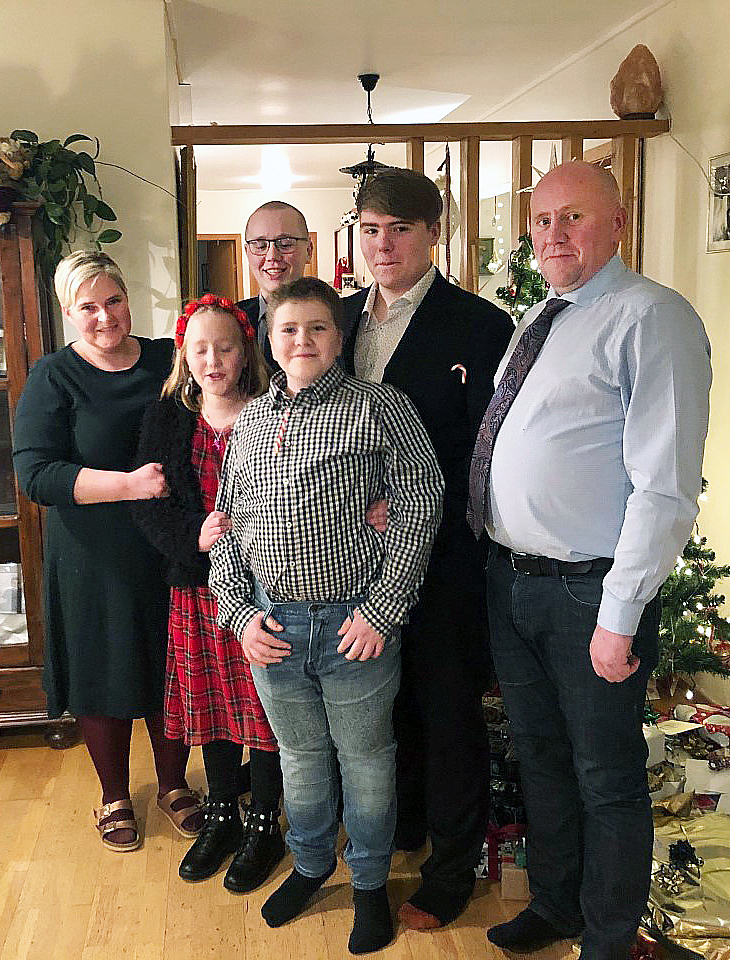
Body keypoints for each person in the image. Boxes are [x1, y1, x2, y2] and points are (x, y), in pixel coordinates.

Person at [469, 161, 712, 960]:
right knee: (540, 759)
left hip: (590, 595)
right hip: (514, 580)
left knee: (606, 778)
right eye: (542, 221)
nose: (554, 235)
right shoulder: (540, 317)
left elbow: (665, 485)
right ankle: (556, 905)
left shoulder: (652, 318)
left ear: (618, 222)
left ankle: (607, 942)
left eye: (573, 216)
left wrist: (621, 614)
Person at [208, 277, 443, 955]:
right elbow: (227, 524)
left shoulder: (378, 407)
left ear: (339, 338)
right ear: (269, 340)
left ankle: (368, 882)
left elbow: (421, 500)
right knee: (302, 759)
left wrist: (383, 609)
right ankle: (311, 866)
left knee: (366, 761)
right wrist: (239, 613)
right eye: (289, 329)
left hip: (353, 628)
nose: (302, 340)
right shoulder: (253, 421)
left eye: (317, 328)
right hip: (273, 627)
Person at [342, 167, 513, 930]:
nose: (383, 246)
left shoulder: (479, 325)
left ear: (433, 234)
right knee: (384, 706)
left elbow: (487, 450)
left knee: (447, 713)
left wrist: (412, 508)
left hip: (442, 557)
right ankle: (404, 829)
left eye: (400, 230)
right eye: (371, 230)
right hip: (354, 561)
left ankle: (452, 869)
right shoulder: (337, 319)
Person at [12, 250, 204, 855]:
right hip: (92, 554)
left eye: (114, 300)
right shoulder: (54, 376)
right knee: (104, 670)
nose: (105, 316)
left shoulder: (167, 359)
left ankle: (174, 785)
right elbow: (36, 475)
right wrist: (128, 484)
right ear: (68, 313)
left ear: (127, 298)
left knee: (169, 665)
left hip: (167, 544)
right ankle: (115, 795)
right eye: (88, 306)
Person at [130, 294, 286, 893]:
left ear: (246, 352)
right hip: (198, 590)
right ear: (183, 355)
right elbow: (150, 505)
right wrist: (191, 536)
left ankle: (264, 822)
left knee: (265, 711)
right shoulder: (167, 417)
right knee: (214, 709)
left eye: (225, 348)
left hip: (267, 588)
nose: (213, 361)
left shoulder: (275, 410)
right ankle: (221, 813)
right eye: (200, 350)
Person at [238, 201, 314, 372]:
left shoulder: (339, 319)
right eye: (260, 245)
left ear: (309, 250)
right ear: (247, 253)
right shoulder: (232, 321)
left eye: (285, 244)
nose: (272, 256)